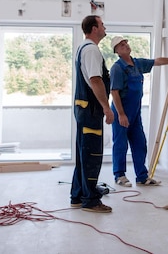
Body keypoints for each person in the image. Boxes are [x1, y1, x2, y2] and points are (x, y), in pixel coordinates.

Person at [109, 36, 168, 187]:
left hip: (135, 113)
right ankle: (119, 175)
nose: (125, 45)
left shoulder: (137, 63)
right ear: (116, 51)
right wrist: (122, 114)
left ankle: (142, 177)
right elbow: (114, 92)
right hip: (122, 112)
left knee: (140, 143)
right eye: (121, 45)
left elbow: (157, 61)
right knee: (120, 144)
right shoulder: (117, 68)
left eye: (126, 43)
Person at [70, 15, 115, 213]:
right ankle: (90, 200)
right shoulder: (91, 50)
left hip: (84, 107)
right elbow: (95, 80)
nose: (105, 27)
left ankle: (78, 195)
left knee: (83, 154)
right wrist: (106, 107)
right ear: (94, 28)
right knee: (91, 155)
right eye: (102, 24)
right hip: (91, 109)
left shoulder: (83, 48)